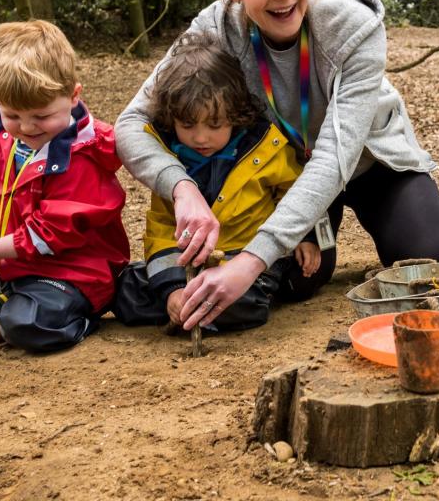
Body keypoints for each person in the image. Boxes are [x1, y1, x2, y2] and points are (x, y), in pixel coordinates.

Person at [115, 0, 439, 331]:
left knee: (428, 259)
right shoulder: (215, 28)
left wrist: (251, 262)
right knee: (302, 277)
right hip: (286, 172)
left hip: (368, 160)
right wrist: (181, 186)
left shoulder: (355, 25)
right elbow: (130, 124)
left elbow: (336, 155)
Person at [0, 20, 130, 351]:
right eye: (13, 115)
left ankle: (86, 315)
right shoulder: (7, 127)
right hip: (19, 265)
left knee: (25, 325)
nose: (26, 127)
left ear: (73, 96)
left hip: (76, 273)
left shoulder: (81, 156)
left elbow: (47, 234)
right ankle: (14, 294)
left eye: (41, 116)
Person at [111, 32, 321, 330]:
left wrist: (307, 237)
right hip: (186, 265)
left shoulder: (268, 148)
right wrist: (172, 289)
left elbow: (297, 194)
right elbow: (161, 228)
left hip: (247, 257)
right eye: (187, 125)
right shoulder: (167, 159)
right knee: (125, 293)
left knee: (249, 298)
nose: (200, 137)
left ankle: (202, 311)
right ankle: (188, 307)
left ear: (235, 115)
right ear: (171, 119)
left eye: (214, 125)